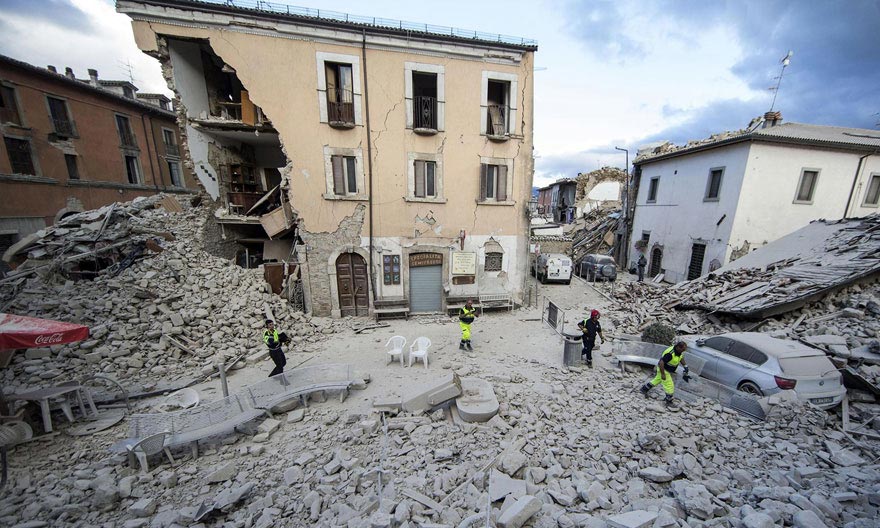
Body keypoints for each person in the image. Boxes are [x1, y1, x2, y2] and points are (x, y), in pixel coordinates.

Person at [640, 341, 689, 406]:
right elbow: (661, 363)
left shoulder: (678, 352)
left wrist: (685, 366)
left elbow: (681, 358)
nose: (683, 351)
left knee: (657, 380)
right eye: (682, 350)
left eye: (684, 350)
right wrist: (663, 374)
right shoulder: (670, 353)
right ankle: (668, 400)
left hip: (667, 369)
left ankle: (644, 389)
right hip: (663, 369)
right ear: (678, 347)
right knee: (669, 385)